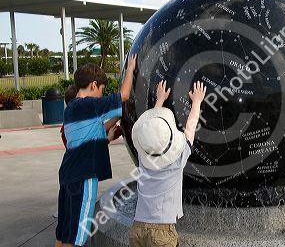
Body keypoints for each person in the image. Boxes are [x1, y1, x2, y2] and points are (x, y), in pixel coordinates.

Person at [55, 55, 137, 247]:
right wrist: (131, 68)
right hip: (83, 178)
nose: (102, 93)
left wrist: (116, 123)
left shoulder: (73, 109)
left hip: (68, 176)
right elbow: (123, 95)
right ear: (93, 85)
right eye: (101, 89)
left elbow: (96, 131)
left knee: (65, 230)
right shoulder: (89, 105)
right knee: (79, 234)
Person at [129, 80, 206, 247]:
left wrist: (159, 100)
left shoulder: (144, 157)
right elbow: (191, 127)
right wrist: (197, 102)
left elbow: (152, 133)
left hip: (137, 226)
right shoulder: (178, 159)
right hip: (162, 231)